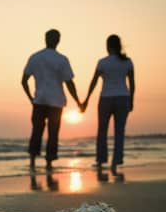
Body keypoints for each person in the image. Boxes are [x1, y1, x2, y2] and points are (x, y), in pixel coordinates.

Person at [22, 29, 81, 170]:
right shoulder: (62, 59)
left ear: (45, 39)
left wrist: (31, 98)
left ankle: (32, 161)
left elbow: (23, 80)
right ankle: (49, 162)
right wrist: (79, 102)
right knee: (53, 132)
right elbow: (69, 83)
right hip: (56, 101)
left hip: (39, 100)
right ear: (58, 40)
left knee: (37, 130)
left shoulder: (35, 57)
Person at [80, 34, 135, 175]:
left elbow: (94, 82)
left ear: (108, 46)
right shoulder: (127, 62)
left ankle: (100, 160)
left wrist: (86, 99)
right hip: (123, 97)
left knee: (102, 130)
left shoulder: (102, 62)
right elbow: (132, 84)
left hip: (106, 98)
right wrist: (131, 100)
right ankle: (116, 161)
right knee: (119, 131)